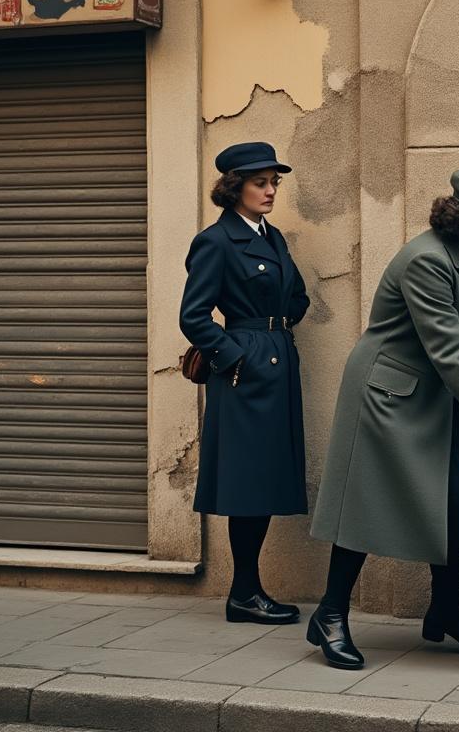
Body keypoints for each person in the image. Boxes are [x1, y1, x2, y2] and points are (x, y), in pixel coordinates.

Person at [308, 168, 459, 670]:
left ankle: (445, 609)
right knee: (364, 506)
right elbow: (451, 354)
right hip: (388, 394)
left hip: (437, 396)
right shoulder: (425, 261)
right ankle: (330, 614)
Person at [180, 142, 310, 626]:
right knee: (248, 483)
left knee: (268, 478)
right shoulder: (215, 242)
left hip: (278, 363)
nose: (271, 190)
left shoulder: (272, 236)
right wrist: (236, 355)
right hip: (246, 371)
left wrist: (279, 322)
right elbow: (193, 316)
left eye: (275, 182)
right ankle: (244, 592)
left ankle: (248, 591)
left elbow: (296, 295)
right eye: (261, 182)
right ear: (235, 187)